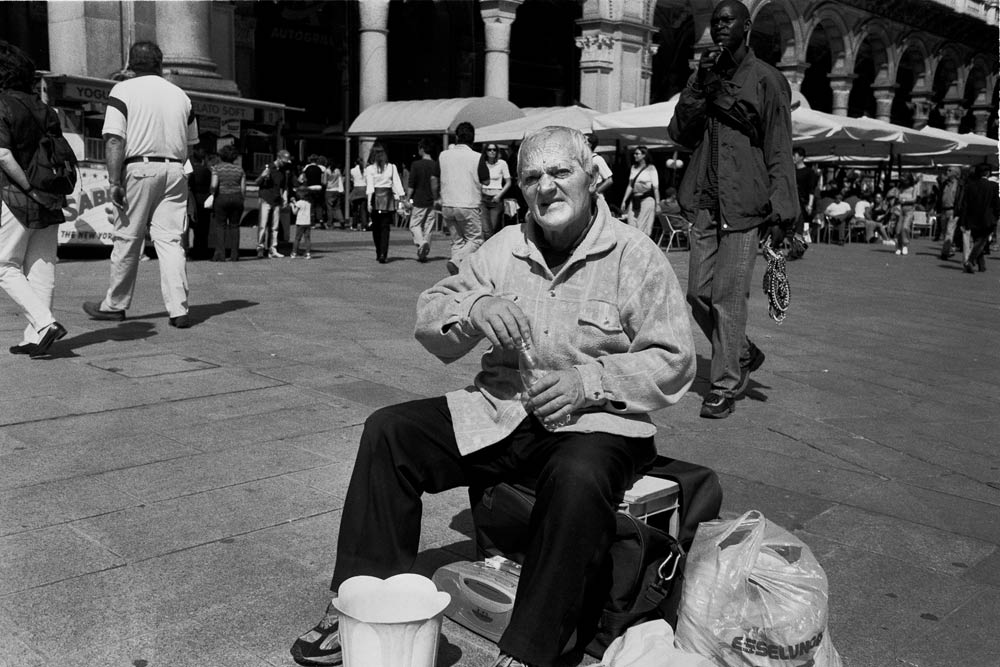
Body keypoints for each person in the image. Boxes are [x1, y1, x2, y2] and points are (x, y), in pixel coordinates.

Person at [288, 126, 695, 667]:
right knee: (390, 432)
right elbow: (431, 315)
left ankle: (530, 651)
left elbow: (674, 360)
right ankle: (364, 604)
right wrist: (473, 308)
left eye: (559, 173)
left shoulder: (636, 257)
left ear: (590, 178)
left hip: (596, 423)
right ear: (518, 188)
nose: (546, 187)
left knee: (577, 476)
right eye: (532, 177)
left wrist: (586, 381)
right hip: (502, 410)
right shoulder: (503, 248)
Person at [667, 0, 796, 419]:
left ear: (747, 26)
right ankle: (740, 350)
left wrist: (782, 211)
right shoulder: (707, 74)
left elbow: (779, 147)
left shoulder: (767, 80)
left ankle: (724, 383)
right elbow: (680, 133)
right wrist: (698, 86)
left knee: (727, 297)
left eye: (728, 20)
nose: (719, 26)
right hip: (705, 197)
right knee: (697, 294)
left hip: (745, 202)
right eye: (716, 20)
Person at [82, 41, 198, 329]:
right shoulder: (182, 96)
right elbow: (191, 144)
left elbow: (113, 139)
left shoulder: (123, 90)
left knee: (128, 238)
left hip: (140, 167)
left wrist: (114, 180)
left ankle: (115, 305)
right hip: (175, 169)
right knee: (170, 240)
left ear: (131, 65)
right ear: (160, 65)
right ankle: (178, 309)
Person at [0, 40, 68, 357]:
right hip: (50, 196)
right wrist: (43, 191)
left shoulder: (1, 103)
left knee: (4, 265)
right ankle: (35, 336)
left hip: (16, 195)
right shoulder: (46, 109)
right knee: (41, 267)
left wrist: (29, 188)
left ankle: (43, 322)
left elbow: (2, 155)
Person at [438, 121, 483, 274]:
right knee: (475, 240)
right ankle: (456, 261)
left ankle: (456, 273)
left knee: (457, 241)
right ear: (473, 138)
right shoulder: (477, 157)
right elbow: (486, 179)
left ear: (456, 137)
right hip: (468, 204)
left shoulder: (443, 155)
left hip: (447, 203)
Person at [364, 141, 405, 264]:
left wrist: (368, 203)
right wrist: (401, 199)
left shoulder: (370, 169)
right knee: (385, 228)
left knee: (376, 227)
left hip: (375, 198)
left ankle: (379, 252)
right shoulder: (392, 167)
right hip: (388, 199)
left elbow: (370, 187)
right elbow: (397, 184)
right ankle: (383, 253)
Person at [958, 163, 999, 273]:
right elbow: (996, 204)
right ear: (988, 173)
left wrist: (963, 220)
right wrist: (997, 216)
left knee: (978, 240)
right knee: (981, 241)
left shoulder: (970, 186)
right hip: (988, 218)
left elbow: (965, 205)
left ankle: (982, 265)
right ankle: (970, 261)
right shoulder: (993, 186)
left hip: (973, 218)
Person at [209, 144, 245, 262]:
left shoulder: (217, 168)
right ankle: (234, 255)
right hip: (237, 198)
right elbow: (243, 189)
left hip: (222, 197)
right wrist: (241, 199)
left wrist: (212, 193)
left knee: (220, 226)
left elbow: (214, 185)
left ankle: (220, 254)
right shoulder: (240, 170)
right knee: (235, 226)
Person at [406, 137, 439, 262]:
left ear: (422, 149)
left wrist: (407, 198)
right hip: (432, 200)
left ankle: (421, 243)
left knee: (414, 225)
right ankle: (423, 253)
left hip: (419, 199)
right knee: (428, 226)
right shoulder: (436, 165)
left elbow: (411, 184)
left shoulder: (416, 165)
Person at [254, 149, 292, 258]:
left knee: (274, 227)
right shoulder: (268, 167)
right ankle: (260, 248)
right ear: (278, 158)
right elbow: (257, 182)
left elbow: (284, 186)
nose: (285, 164)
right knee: (263, 225)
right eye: (284, 161)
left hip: (276, 200)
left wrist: (285, 197)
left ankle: (272, 248)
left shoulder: (283, 171)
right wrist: (262, 175)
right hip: (266, 198)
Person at [619, 146, 659, 237]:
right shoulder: (633, 167)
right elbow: (630, 185)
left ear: (644, 155)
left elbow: (656, 188)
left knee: (641, 225)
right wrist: (624, 200)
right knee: (631, 223)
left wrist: (658, 204)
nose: (635, 155)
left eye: (637, 154)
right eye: (634, 153)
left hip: (646, 198)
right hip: (635, 199)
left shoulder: (651, 168)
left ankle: (641, 248)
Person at [789, 146, 817, 258]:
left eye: (795, 155)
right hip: (792, 201)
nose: (793, 158)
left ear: (801, 157)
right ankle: (800, 247)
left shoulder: (809, 172)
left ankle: (795, 251)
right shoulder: (792, 171)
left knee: (798, 226)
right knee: (791, 226)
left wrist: (810, 204)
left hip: (803, 203)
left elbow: (811, 190)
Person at [480, 142, 511, 240]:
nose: (492, 152)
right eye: (489, 149)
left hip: (496, 198)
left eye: (494, 150)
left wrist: (499, 195)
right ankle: (487, 251)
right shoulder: (482, 164)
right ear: (486, 152)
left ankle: (492, 250)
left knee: (493, 228)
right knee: (486, 230)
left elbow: (508, 182)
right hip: (483, 198)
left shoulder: (502, 163)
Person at [186, 148, 212, 259]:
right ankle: (201, 251)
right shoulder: (207, 171)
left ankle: (190, 251)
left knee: (189, 227)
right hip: (204, 200)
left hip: (193, 200)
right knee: (202, 229)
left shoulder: (190, 172)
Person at [937, 166, 963, 260]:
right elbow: (940, 197)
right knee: (944, 232)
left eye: (949, 170)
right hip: (944, 210)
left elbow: (961, 198)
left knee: (949, 232)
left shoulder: (960, 185)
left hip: (953, 210)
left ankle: (945, 253)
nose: (947, 172)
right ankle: (950, 249)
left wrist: (959, 210)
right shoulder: (944, 183)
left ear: (956, 173)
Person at [894, 174, 918, 256]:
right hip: (900, 209)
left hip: (909, 210)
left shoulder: (913, 188)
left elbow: (914, 199)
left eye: (905, 180)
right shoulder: (900, 189)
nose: (904, 182)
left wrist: (904, 201)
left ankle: (905, 245)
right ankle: (899, 245)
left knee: (905, 227)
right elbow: (897, 198)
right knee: (898, 229)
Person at [300, 154, 326, 227]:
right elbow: (323, 180)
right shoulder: (321, 168)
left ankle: (312, 222)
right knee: (319, 205)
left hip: (310, 187)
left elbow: (304, 179)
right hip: (319, 187)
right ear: (317, 160)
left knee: (311, 205)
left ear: (310, 160)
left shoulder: (306, 168)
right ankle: (321, 220)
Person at [586, 133, 613, 200]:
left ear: (589, 145)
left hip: (595, 200)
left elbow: (609, 180)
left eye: (583, 141)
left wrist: (595, 193)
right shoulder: (582, 160)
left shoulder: (597, 159)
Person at [289, 184, 313, 259]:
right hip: (307, 222)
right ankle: (308, 253)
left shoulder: (299, 203)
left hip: (300, 222)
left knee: (297, 238)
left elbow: (295, 212)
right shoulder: (309, 203)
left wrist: (292, 205)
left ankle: (294, 252)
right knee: (307, 238)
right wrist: (294, 202)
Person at [348, 156, 367, 231]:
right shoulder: (365, 170)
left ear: (355, 162)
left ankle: (354, 225)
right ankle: (364, 226)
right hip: (364, 189)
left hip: (356, 189)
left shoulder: (352, 170)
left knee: (355, 209)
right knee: (363, 209)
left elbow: (351, 180)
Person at [325, 159, 345, 229]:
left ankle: (330, 223)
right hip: (337, 190)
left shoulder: (327, 171)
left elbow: (324, 182)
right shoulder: (338, 171)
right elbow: (340, 180)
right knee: (337, 207)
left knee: (329, 208)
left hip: (329, 190)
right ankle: (341, 220)